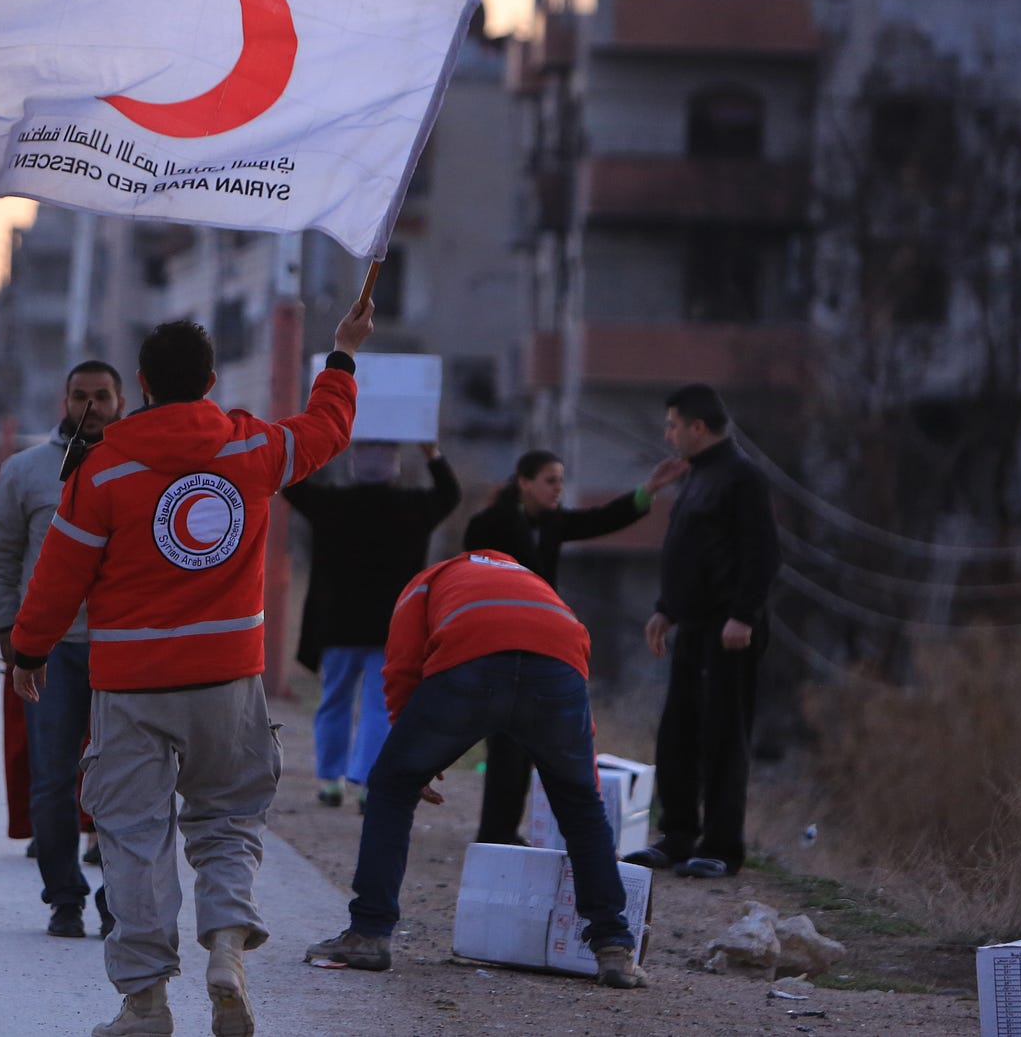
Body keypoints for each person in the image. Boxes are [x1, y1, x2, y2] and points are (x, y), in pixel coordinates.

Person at [12, 299, 374, 1037]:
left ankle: (146, 1003)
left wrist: (29, 649)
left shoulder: (103, 469)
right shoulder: (253, 448)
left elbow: (59, 572)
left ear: (141, 383)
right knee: (230, 821)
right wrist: (341, 353)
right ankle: (227, 950)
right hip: (228, 681)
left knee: (133, 837)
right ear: (210, 381)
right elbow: (328, 428)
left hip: (131, 686)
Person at [304, 550, 650, 989]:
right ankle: (614, 948)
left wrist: (414, 759)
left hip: (471, 665)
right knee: (580, 805)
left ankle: (369, 933)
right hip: (557, 669)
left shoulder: (426, 582)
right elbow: (581, 720)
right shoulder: (536, 587)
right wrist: (588, 790)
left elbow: (402, 668)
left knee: (391, 786)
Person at [465, 447, 686, 844]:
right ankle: (495, 831)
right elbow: (471, 580)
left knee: (526, 738)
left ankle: (506, 829)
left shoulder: (550, 522)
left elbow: (599, 520)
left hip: (537, 643)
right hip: (500, 643)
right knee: (505, 740)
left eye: (561, 481)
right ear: (524, 482)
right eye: (550, 481)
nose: (558, 489)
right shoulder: (488, 524)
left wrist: (648, 491)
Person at [626, 384, 782, 880]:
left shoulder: (742, 476)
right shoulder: (697, 475)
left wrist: (744, 615)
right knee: (679, 733)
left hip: (728, 629)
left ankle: (720, 846)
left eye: (673, 425)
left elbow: (763, 553)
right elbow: (691, 551)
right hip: (692, 625)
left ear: (698, 426)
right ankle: (677, 836)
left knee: (721, 736)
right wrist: (665, 609)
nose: (667, 434)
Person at [0, 359, 124, 940]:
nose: (90, 406)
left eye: (102, 395)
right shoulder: (25, 471)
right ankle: (64, 897)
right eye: (79, 395)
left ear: (122, 401)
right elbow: (1, 555)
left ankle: (119, 899)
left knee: (124, 779)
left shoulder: (138, 468)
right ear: (63, 400)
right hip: (52, 650)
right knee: (51, 778)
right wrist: (7, 628)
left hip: (122, 649)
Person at [285, 439, 460, 810]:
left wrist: (320, 444)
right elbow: (450, 494)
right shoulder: (413, 507)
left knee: (334, 701)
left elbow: (291, 486)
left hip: (337, 624)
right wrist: (432, 455)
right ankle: (368, 782)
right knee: (381, 706)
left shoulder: (331, 504)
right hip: (392, 628)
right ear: (395, 467)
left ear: (354, 465)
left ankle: (330, 781)